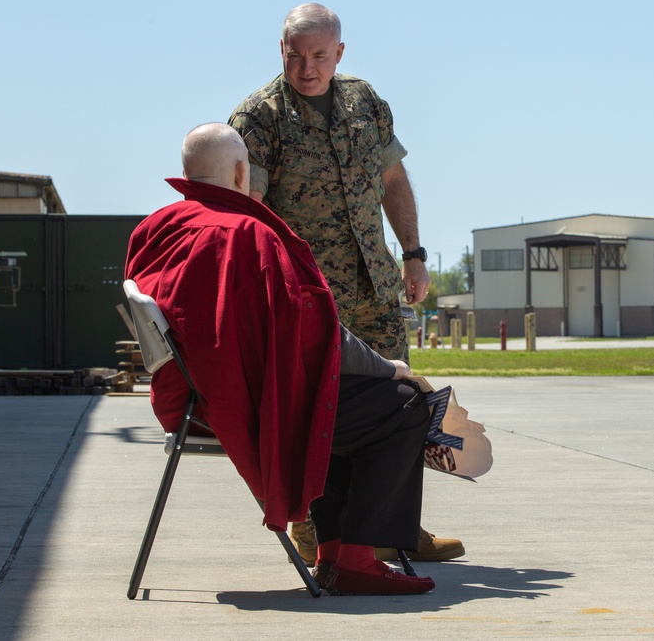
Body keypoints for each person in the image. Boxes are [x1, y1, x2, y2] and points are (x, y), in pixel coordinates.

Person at [125, 123, 434, 595]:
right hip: (240, 406)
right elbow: (318, 335)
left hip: (192, 400)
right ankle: (354, 559)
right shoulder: (247, 234)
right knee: (401, 403)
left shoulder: (153, 229)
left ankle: (332, 555)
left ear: (186, 173)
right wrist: (389, 367)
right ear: (240, 171)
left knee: (341, 401)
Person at [229, 2, 464, 563]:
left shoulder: (364, 101)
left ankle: (396, 530)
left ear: (339, 53)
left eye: (318, 56)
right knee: (319, 412)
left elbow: (392, 177)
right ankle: (316, 528)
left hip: (374, 287)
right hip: (310, 297)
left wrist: (413, 254)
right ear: (280, 51)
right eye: (295, 55)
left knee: (403, 405)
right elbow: (246, 208)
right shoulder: (258, 118)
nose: (307, 68)